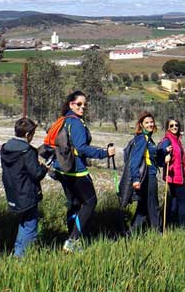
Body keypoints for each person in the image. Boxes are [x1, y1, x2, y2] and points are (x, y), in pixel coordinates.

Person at [51, 91, 114, 252]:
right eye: (79, 104)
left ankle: (71, 237)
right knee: (90, 202)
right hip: (76, 171)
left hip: (63, 169)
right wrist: (104, 153)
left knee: (75, 204)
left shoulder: (64, 120)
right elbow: (82, 148)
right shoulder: (76, 123)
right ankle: (72, 241)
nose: (83, 107)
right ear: (71, 104)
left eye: (85, 104)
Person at [0, 117, 48, 257]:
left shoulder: (5, 148)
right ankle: (22, 257)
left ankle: (18, 252)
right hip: (27, 193)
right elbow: (36, 174)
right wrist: (44, 168)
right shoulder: (28, 151)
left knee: (24, 222)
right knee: (30, 226)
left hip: (13, 192)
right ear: (28, 135)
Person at [128, 112, 164, 232]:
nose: (150, 124)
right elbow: (135, 160)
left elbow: (153, 159)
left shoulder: (149, 139)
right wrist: (136, 179)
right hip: (148, 176)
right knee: (153, 204)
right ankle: (157, 232)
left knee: (143, 206)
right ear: (141, 125)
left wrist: (163, 155)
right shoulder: (142, 139)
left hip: (149, 174)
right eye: (147, 123)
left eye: (151, 122)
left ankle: (131, 233)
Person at [157, 119, 185, 227]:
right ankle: (183, 226)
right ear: (167, 128)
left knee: (174, 201)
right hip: (174, 176)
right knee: (183, 202)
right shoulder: (167, 140)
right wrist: (164, 156)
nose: (174, 127)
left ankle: (171, 223)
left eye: (176, 125)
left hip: (177, 176)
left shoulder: (176, 139)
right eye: (171, 125)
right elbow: (159, 154)